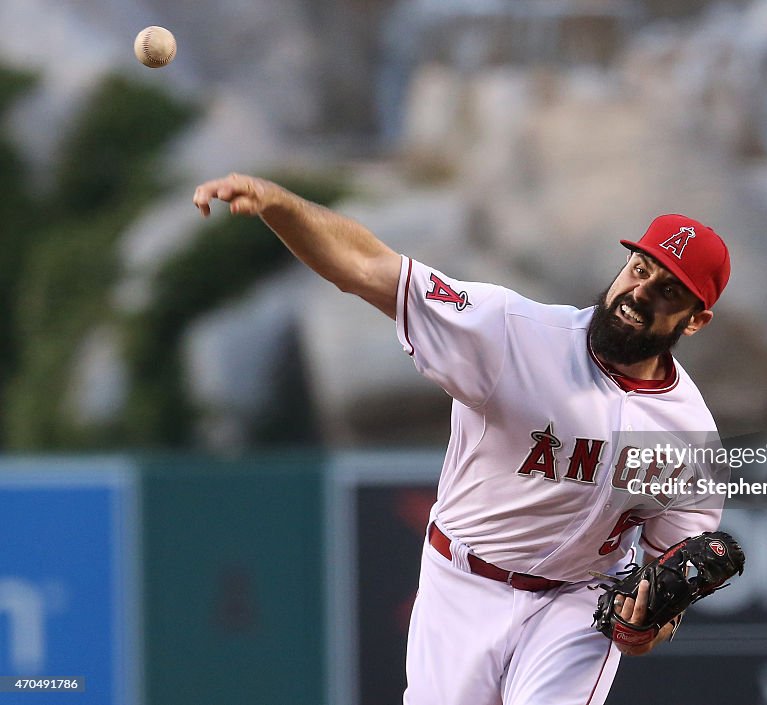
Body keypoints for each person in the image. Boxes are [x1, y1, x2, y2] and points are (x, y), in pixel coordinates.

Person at [193, 173, 732, 705]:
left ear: (695, 320)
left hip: (576, 603)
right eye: (639, 269)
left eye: (667, 291)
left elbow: (662, 601)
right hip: (462, 583)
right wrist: (278, 204)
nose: (639, 293)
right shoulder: (513, 332)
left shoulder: (689, 441)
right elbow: (368, 269)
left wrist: (642, 628)